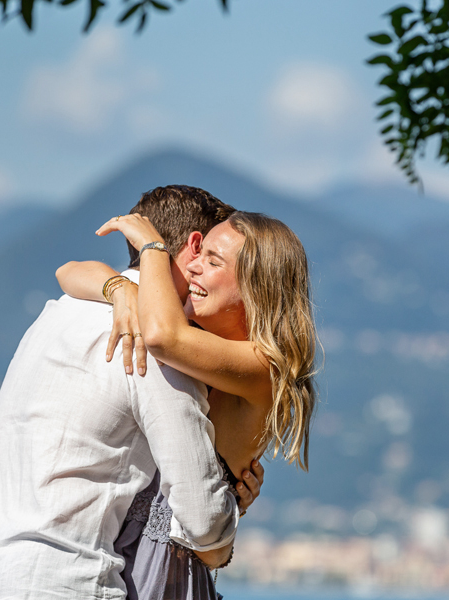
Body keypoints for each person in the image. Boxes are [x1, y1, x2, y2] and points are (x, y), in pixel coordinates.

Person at [0, 186, 263, 600]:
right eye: (211, 258)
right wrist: (228, 512)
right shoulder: (157, 347)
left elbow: (68, 270)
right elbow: (204, 523)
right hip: (66, 583)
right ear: (194, 246)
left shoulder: (56, 313)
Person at [56, 208, 319, 599]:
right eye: (198, 254)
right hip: (129, 561)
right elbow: (67, 272)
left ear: (256, 287)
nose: (193, 266)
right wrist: (121, 289)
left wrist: (152, 248)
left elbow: (161, 337)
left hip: (166, 573)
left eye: (213, 261)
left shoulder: (264, 366)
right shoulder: (202, 347)